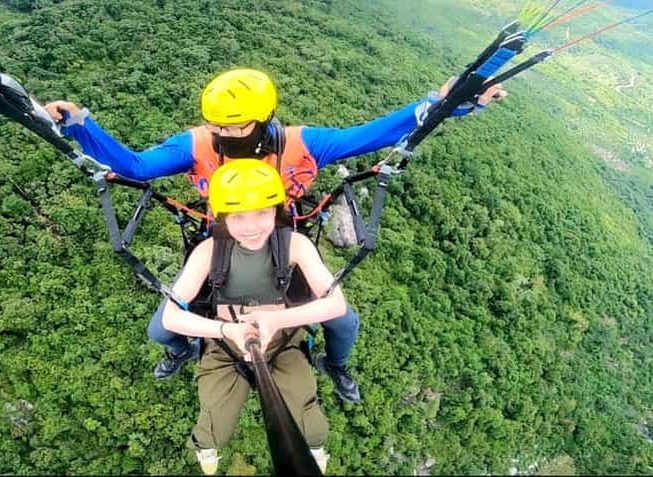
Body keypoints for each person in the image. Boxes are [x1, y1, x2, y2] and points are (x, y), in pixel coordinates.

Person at [44, 68, 507, 401]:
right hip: (221, 242)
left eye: (233, 126)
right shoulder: (198, 144)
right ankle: (181, 352)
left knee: (344, 323)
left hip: (286, 240)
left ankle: (337, 364)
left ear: (264, 117)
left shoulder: (304, 144)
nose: (222, 134)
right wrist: (82, 124)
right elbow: (135, 167)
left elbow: (380, 133)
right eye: (215, 125)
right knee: (159, 328)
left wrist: (445, 103)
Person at [161, 160, 342, 475]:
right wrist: (226, 330)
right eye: (238, 216)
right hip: (225, 345)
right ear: (222, 217)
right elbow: (170, 317)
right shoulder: (209, 252)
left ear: (276, 211)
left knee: (308, 419)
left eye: (262, 212)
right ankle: (207, 445)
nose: (252, 226)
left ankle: (313, 447)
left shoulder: (294, 245)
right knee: (214, 425)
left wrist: (275, 323)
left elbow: (335, 304)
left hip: (283, 341)